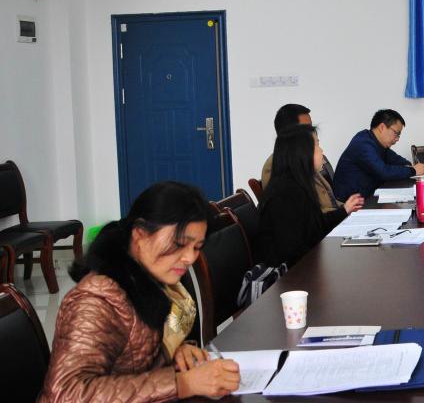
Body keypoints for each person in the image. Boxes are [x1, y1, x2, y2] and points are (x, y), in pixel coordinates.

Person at [40, 181, 240, 402]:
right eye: (180, 243)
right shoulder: (96, 301)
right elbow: (66, 394)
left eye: (196, 248)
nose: (190, 258)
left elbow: (134, 355)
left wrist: (173, 353)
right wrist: (182, 383)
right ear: (140, 234)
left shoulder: (150, 278)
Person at [257, 124, 361, 267]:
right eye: (317, 145)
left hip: (307, 266)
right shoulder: (284, 194)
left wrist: (345, 210)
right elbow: (292, 252)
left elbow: (315, 225)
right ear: (302, 152)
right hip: (290, 275)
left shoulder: (299, 184)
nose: (322, 151)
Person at [261, 103, 361, 214]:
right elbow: (299, 214)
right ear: (290, 132)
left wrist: (348, 209)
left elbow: (330, 201)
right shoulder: (277, 165)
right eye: (307, 128)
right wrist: (342, 213)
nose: (312, 131)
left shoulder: (304, 160)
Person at [334, 109, 424, 199]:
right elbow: (383, 172)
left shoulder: (378, 143)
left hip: (366, 196)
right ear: (382, 127)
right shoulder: (363, 143)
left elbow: (397, 160)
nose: (397, 139)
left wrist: (408, 166)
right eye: (396, 133)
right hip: (350, 203)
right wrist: (413, 171)